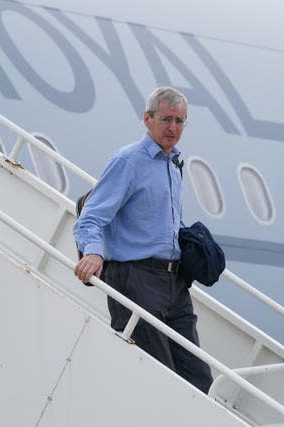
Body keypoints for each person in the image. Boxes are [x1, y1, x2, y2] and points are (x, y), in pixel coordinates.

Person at [72, 87, 213, 393]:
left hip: (174, 284)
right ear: (147, 119)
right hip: (136, 279)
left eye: (180, 121)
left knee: (198, 379)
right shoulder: (129, 161)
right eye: (166, 119)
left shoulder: (173, 164)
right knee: (154, 376)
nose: (173, 128)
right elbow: (91, 217)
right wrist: (94, 253)